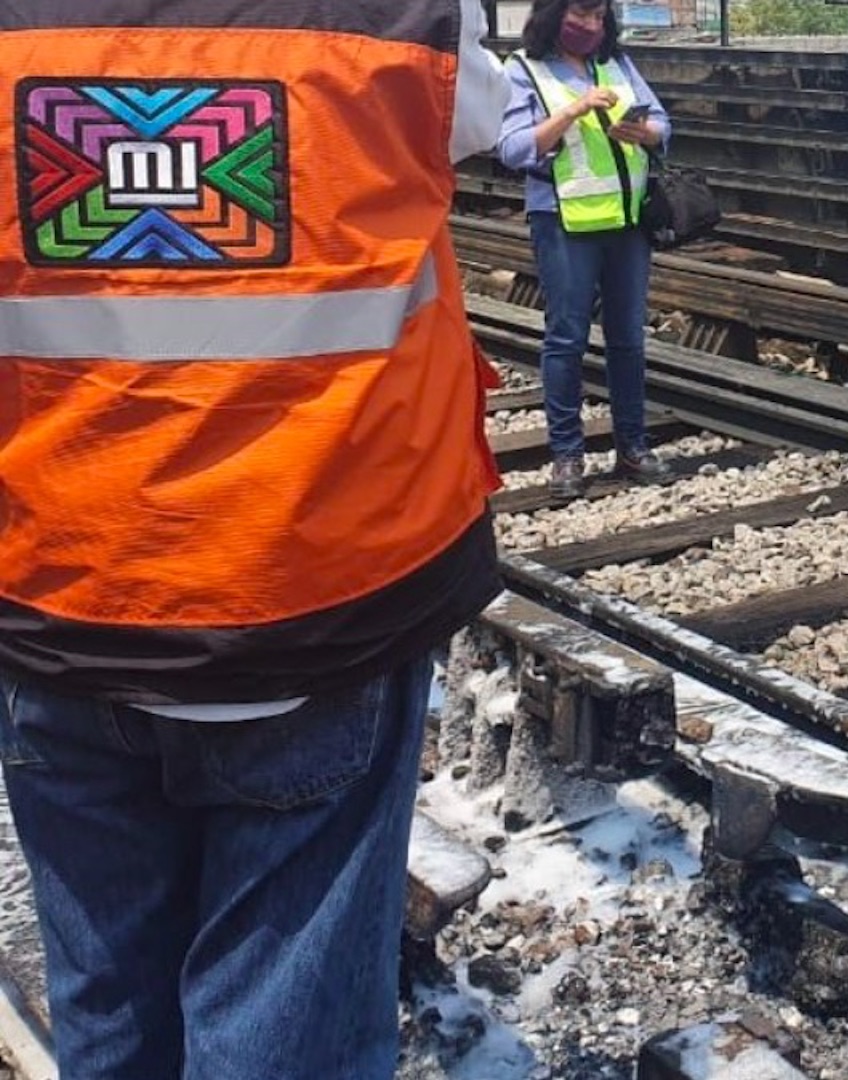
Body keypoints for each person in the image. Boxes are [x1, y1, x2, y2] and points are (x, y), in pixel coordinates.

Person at [0, 2, 508, 1077]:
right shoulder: (402, 16)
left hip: (61, 592)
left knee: (110, 1021)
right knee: (290, 1036)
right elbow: (494, 117)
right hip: (319, 598)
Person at [498, 0, 672, 500]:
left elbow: (663, 125)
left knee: (628, 339)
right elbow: (512, 148)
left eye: (599, 18)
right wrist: (573, 110)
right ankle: (567, 455)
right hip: (563, 221)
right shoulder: (523, 70)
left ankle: (633, 446)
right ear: (554, 16)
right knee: (567, 337)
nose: (591, 27)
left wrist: (646, 132)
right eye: (581, 17)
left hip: (627, 220)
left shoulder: (616, 63)